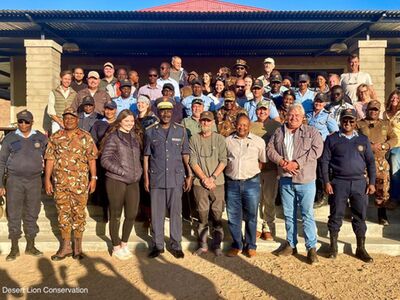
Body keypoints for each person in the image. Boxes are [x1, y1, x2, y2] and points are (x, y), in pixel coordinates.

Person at [267, 103, 323, 264]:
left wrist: (297, 163)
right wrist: (283, 162)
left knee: (307, 214)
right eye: (291, 114)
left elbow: (317, 150)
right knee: (289, 214)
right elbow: (270, 150)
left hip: (305, 179)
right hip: (285, 178)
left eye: (297, 115)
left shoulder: (311, 131)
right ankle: (291, 244)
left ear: (303, 117)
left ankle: (311, 247)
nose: (294, 118)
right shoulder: (279, 131)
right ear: (286, 115)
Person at [321, 108, 376, 262]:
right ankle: (333, 246)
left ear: (355, 122)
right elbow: (325, 162)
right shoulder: (332, 139)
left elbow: (371, 162)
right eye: (345, 120)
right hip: (339, 182)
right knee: (336, 214)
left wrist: (371, 182)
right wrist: (326, 181)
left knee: (359, 215)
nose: (348, 123)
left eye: (351, 120)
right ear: (341, 121)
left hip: (359, 182)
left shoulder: (363, 139)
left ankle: (360, 247)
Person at [44, 107, 97, 261]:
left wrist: (94, 178)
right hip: (60, 184)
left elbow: (91, 159)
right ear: (63, 119)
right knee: (63, 214)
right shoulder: (56, 137)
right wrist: (47, 179)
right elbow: (50, 159)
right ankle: (65, 247)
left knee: (79, 214)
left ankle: (77, 248)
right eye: (66, 118)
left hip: (80, 184)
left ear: (77, 119)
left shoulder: (85, 137)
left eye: (72, 118)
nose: (69, 120)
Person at [143, 100, 192, 259]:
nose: (165, 114)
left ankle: (176, 244)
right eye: (162, 111)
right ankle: (157, 245)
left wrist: (189, 174)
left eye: (168, 111)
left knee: (176, 213)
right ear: (158, 113)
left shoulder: (181, 131)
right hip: (156, 177)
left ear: (172, 113)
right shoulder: (150, 131)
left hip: (175, 177)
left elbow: (185, 155)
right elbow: (146, 156)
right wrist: (146, 178)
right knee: (157, 214)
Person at [0, 110, 47, 261]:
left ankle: (30, 245)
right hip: (14, 181)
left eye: (26, 121)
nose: (23, 124)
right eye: (20, 121)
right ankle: (14, 247)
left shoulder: (40, 137)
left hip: (34, 180)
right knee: (13, 213)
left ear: (32, 122)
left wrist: (48, 180)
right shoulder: (9, 138)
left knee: (32, 212)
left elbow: (50, 158)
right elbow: (1, 162)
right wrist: (0, 183)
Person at [101, 109, 143, 260]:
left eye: (132, 121)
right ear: (120, 121)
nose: (130, 123)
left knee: (131, 214)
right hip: (116, 180)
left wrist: (138, 172)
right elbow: (105, 159)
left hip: (133, 180)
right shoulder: (114, 137)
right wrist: (121, 171)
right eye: (127, 121)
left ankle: (124, 243)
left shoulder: (134, 137)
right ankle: (116, 245)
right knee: (116, 215)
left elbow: (137, 158)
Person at [225, 114, 266, 258]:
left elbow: (262, 161)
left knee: (251, 216)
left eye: (245, 125)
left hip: (251, 183)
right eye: (239, 124)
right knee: (233, 216)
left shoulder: (258, 141)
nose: (242, 127)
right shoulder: (227, 141)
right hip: (232, 183)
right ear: (235, 124)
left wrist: (251, 172)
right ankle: (237, 245)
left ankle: (251, 245)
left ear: (249, 126)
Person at [189, 111, 227, 256]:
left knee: (217, 213)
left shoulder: (219, 139)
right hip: (200, 182)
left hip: (217, 182)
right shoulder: (194, 139)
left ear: (212, 123)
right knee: (202, 213)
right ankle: (203, 244)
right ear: (200, 122)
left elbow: (224, 160)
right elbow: (193, 161)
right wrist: (204, 178)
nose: (205, 123)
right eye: (203, 120)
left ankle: (217, 244)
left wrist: (213, 177)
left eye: (208, 121)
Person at [357, 100, 398, 225]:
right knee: (361, 188)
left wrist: (385, 146)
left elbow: (394, 138)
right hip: (362, 161)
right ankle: (359, 214)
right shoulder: (359, 124)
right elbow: (354, 139)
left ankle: (382, 214)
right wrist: (368, 147)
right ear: (367, 110)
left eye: (376, 110)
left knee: (382, 188)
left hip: (380, 161)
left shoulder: (385, 124)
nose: (373, 112)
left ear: (379, 111)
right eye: (371, 109)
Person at [250, 101, 281, 240]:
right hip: (254, 168)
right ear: (256, 111)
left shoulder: (276, 126)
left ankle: (268, 226)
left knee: (269, 199)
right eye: (259, 109)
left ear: (269, 111)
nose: (262, 112)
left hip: (271, 169)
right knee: (256, 199)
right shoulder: (251, 125)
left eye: (264, 110)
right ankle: (256, 226)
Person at [306, 93, 339, 206]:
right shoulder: (309, 115)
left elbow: (335, 132)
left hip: (322, 148)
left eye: (321, 102)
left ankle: (322, 197)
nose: (318, 103)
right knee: (311, 172)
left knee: (321, 173)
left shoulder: (327, 116)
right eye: (317, 101)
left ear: (324, 103)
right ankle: (313, 196)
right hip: (309, 148)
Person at [90, 101, 118, 222]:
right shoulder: (98, 124)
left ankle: (115, 212)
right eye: (107, 109)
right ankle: (104, 212)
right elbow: (92, 140)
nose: (109, 111)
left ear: (115, 110)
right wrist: (97, 154)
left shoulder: (119, 123)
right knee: (104, 187)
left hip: (117, 160)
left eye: (111, 109)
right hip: (102, 159)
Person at [383, 90, 400, 206]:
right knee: (387, 172)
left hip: (398, 145)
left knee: (395, 172)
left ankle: (395, 198)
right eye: (392, 98)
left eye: (397, 98)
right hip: (387, 145)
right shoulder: (385, 113)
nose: (394, 100)